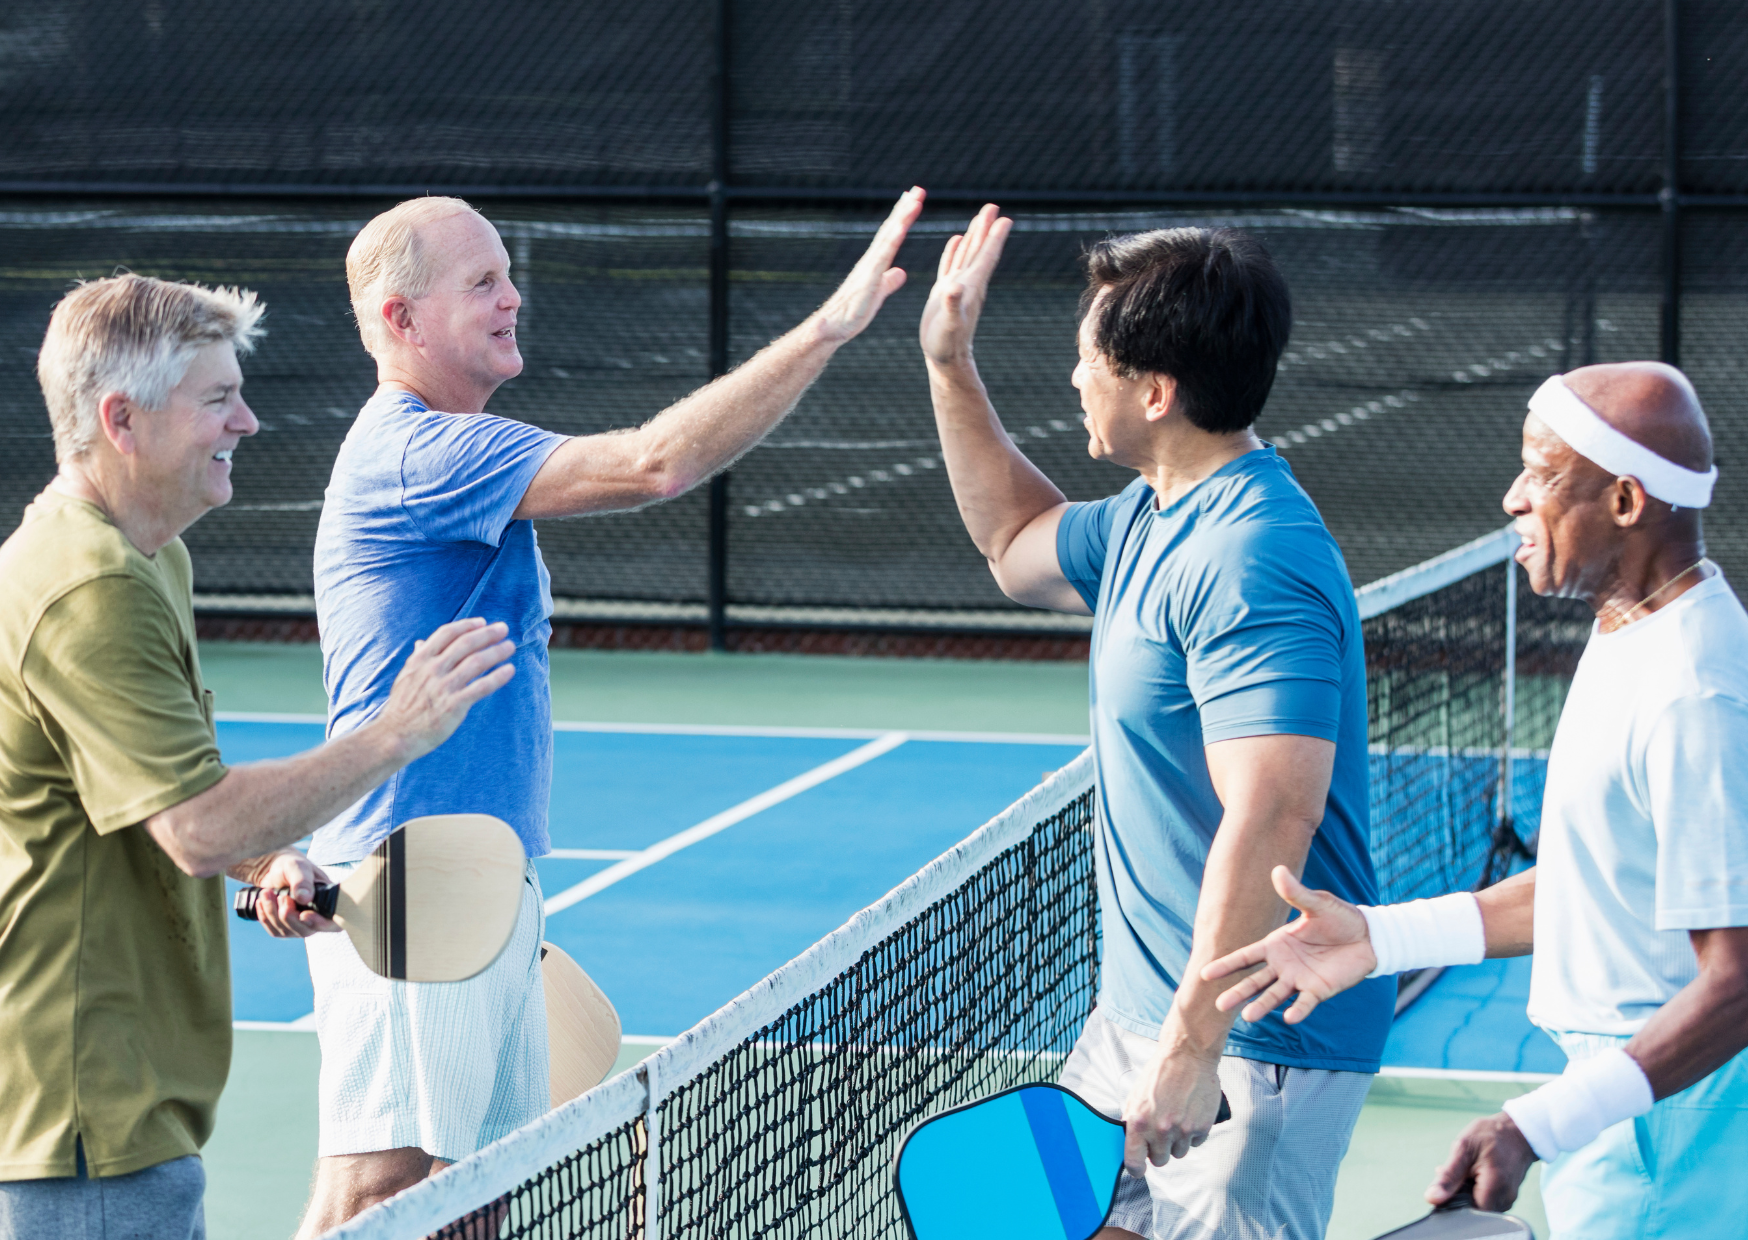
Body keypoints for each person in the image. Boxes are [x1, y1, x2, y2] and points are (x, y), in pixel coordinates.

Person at [295, 188, 926, 1234]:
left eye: (507, 274)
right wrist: (825, 328)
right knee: (375, 1195)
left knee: (465, 1206)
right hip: (410, 880)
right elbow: (652, 462)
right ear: (400, 321)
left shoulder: (461, 449)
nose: (513, 297)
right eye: (482, 282)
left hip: (475, 876)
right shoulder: (418, 451)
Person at [0, 275, 515, 1239]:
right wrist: (398, 731)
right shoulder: (87, 589)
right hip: (87, 1107)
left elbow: (155, 794)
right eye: (215, 399)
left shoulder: (149, 556)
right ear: (121, 419)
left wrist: (266, 860)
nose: (247, 418)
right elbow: (197, 828)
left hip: (130, 1095)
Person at [917, 207, 1392, 1238]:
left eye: (1087, 358)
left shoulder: (1250, 556)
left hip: (1253, 1045)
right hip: (1135, 1021)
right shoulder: (1147, 518)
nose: (1074, 378)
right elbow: (1011, 541)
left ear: (1154, 390)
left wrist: (1193, 1044)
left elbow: (1271, 812)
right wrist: (949, 364)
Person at [1202, 362, 1748, 1237]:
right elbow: (1594, 887)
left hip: (1674, 1123)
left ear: (1625, 502)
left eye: (1543, 473)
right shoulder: (1632, 634)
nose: (1512, 498)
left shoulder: (1694, 693)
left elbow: (1737, 984)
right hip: (1631, 1105)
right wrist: (1382, 938)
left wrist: (1536, 1124)